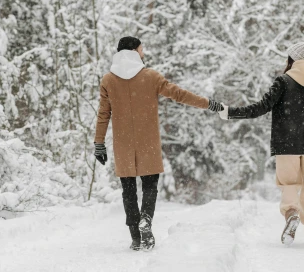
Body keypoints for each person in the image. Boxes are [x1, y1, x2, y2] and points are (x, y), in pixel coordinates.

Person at [94, 36, 224, 251]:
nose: (143, 52)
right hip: (148, 141)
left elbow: (103, 114)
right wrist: (208, 104)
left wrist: (99, 143)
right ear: (135, 51)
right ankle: (146, 219)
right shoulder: (150, 76)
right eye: (141, 49)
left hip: (123, 142)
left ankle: (135, 235)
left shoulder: (108, 80)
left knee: (128, 189)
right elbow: (179, 94)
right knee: (150, 185)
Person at [219, 39, 304, 246]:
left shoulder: (283, 82)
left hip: (287, 144)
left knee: (289, 183)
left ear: (292, 59)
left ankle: (292, 213)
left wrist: (231, 112)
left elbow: (261, 107)